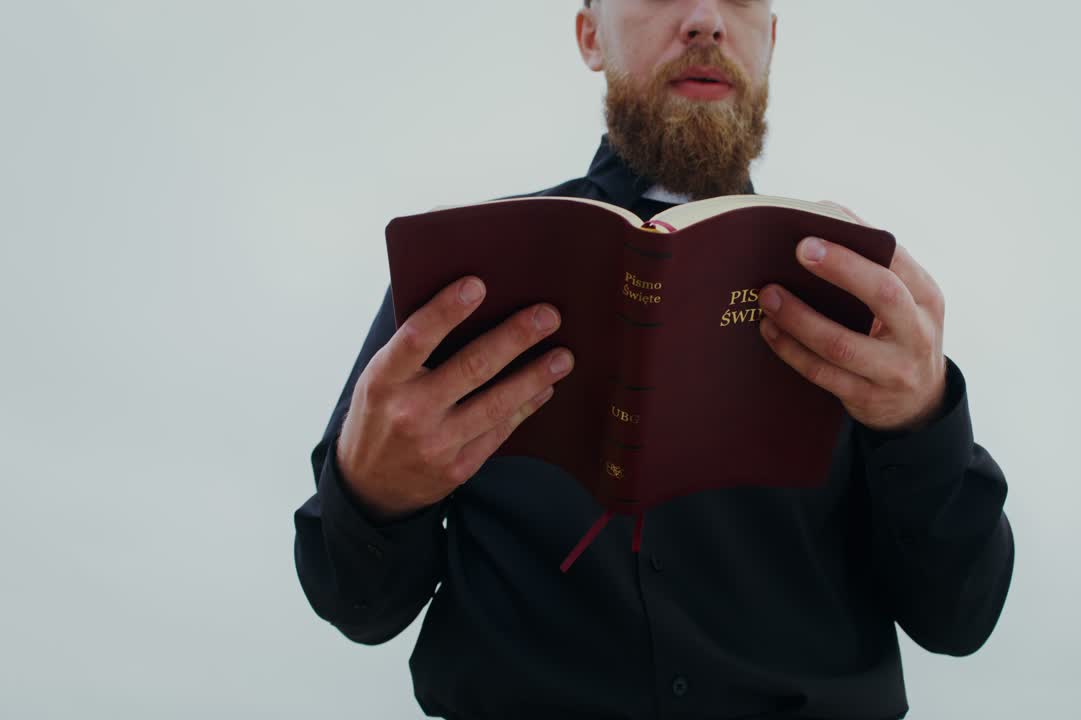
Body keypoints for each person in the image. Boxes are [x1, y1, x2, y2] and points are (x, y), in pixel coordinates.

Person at [293, 1, 1014, 718]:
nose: (704, 18)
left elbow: (959, 617)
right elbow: (354, 602)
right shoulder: (463, 277)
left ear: (771, 38)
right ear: (588, 36)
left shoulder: (855, 289)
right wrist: (376, 494)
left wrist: (921, 416)